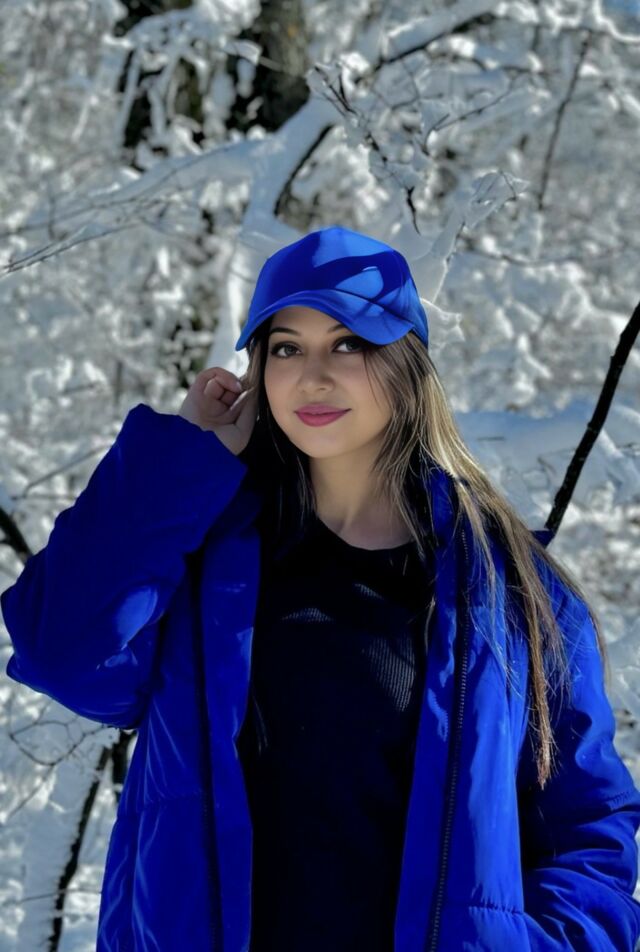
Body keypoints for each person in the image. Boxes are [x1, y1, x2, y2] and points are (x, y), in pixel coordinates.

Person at [2, 224, 639, 951]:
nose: (313, 376)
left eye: (349, 343)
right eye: (286, 348)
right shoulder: (197, 557)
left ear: (407, 364)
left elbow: (589, 830)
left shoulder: (512, 592)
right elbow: (62, 654)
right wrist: (179, 462)